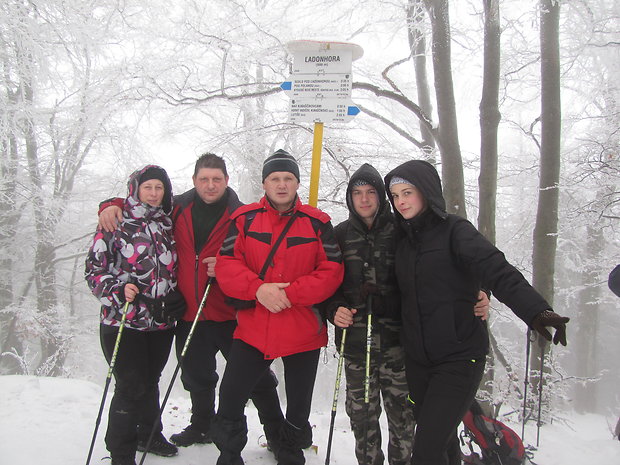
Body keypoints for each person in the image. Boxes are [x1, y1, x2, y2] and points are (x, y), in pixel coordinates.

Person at [383, 159, 570, 465]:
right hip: (418, 361)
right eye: (396, 196)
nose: (401, 201)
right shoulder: (403, 242)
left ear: (426, 192)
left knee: (425, 452)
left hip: (459, 358)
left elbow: (496, 269)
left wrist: (537, 312)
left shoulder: (455, 230)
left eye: (408, 192)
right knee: (442, 443)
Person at [97, 154, 284, 449]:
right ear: (195, 181)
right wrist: (111, 205)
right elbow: (142, 206)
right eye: (204, 179)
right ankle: (202, 425)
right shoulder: (177, 207)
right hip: (188, 313)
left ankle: (277, 433)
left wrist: (224, 266)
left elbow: (261, 260)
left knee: (256, 376)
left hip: (231, 312)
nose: (210, 186)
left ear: (227, 181)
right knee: (197, 376)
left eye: (217, 179)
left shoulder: (243, 215)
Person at [322, 163, 489, 465]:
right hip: (357, 346)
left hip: (401, 345)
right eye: (357, 193)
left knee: (404, 420)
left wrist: (480, 291)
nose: (364, 199)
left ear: (381, 197)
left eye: (371, 192)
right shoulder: (339, 235)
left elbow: (449, 266)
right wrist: (333, 309)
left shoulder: (403, 230)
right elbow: (325, 283)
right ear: (349, 198)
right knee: (362, 420)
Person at [211, 149, 344, 465]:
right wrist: (258, 290)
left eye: (288, 178)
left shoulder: (317, 222)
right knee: (230, 395)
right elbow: (227, 264)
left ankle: (289, 450)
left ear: (297, 183)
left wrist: (290, 294)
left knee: (298, 404)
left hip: (303, 328)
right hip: (255, 327)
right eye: (275, 178)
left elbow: (332, 270)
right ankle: (229, 453)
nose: (282, 185)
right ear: (264, 183)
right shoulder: (243, 220)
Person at [85, 165, 181, 465]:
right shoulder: (116, 222)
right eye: (148, 187)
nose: (153, 193)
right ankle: (121, 452)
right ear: (135, 188)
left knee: (151, 380)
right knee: (129, 385)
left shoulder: (167, 223)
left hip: (161, 321)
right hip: (122, 320)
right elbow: (94, 271)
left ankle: (149, 434)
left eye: (159, 188)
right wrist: (116, 289)